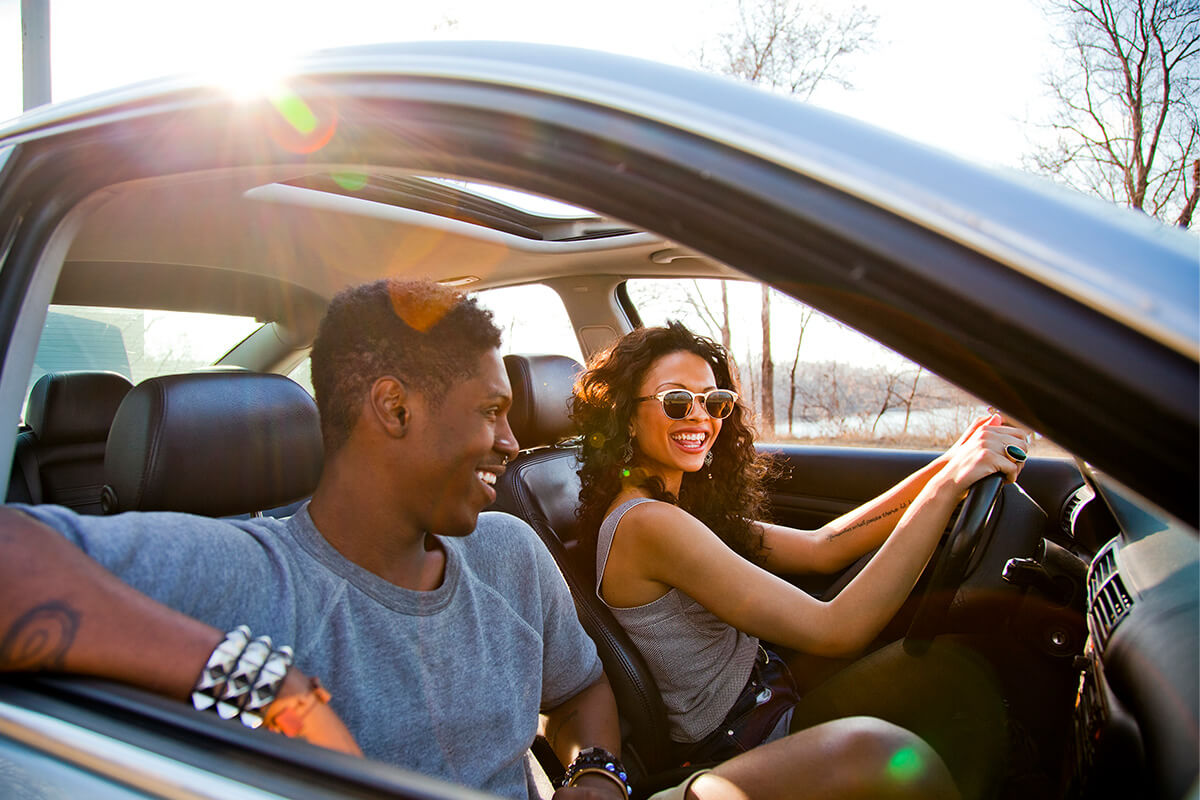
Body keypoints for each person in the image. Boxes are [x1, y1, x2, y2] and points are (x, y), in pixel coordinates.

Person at [0, 281, 958, 800]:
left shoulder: (506, 550)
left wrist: (595, 773)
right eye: (491, 413)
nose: (511, 441)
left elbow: (579, 691)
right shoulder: (255, 572)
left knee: (876, 753)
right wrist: (275, 687)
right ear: (394, 409)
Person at [571, 321, 1029, 800]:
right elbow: (837, 629)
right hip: (744, 740)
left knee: (955, 674)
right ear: (626, 416)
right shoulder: (647, 523)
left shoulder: (678, 507)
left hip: (771, 692)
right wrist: (946, 488)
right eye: (677, 401)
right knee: (953, 685)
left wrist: (952, 461)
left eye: (714, 401)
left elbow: (823, 546)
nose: (701, 417)